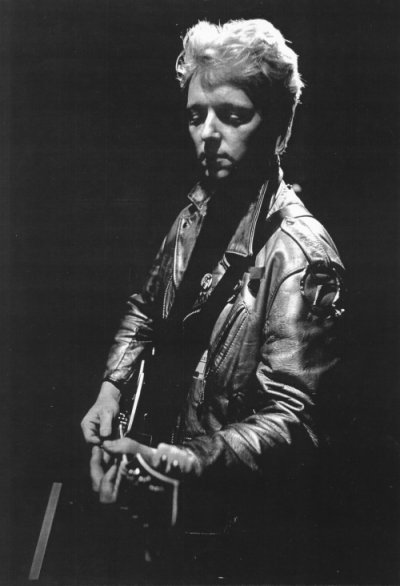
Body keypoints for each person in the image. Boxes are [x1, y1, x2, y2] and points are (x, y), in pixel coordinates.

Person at [81, 18, 345, 577]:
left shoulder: (300, 251)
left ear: (279, 127)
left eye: (233, 115)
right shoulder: (194, 213)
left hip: (232, 533)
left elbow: (296, 420)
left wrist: (188, 460)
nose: (208, 133)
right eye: (196, 114)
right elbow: (145, 306)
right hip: (162, 499)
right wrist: (111, 388)